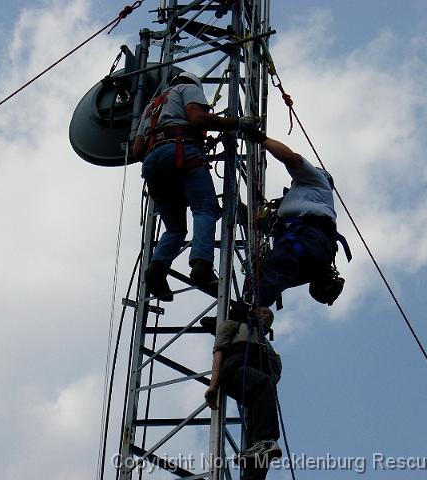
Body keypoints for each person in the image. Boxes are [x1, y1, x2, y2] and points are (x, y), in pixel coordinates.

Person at [133, 72, 258, 300]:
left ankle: (156, 269)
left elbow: (137, 151)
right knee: (205, 209)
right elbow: (198, 120)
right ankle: (201, 265)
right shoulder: (187, 89)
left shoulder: (151, 106)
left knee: (175, 229)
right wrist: (237, 123)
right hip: (181, 152)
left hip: (153, 164)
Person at [245, 131, 345, 308]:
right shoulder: (299, 203)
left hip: (305, 241)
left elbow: (291, 159)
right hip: (311, 251)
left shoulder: (316, 180)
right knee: (267, 280)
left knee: (274, 272)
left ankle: (245, 316)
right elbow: (262, 224)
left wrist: (260, 138)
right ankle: (247, 318)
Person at [205, 307, 282, 479]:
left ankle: (254, 470)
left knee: (256, 438)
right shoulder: (235, 326)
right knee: (264, 384)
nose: (266, 316)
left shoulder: (269, 349)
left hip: (254, 389)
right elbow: (219, 351)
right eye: (263, 312)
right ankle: (265, 441)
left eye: (269, 317)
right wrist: (213, 384)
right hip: (236, 371)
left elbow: (275, 374)